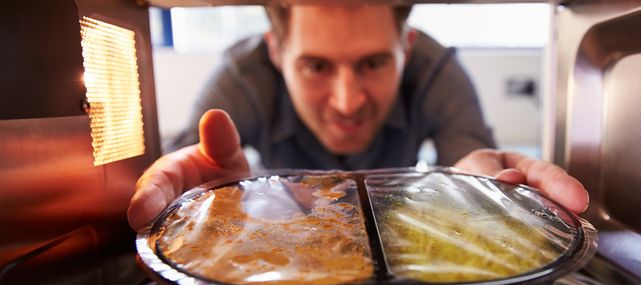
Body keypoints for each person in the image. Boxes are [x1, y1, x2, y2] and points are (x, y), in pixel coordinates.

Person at [127, 4, 588, 230]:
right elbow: (186, 173)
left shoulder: (436, 71)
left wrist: (480, 190)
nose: (347, 102)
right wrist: (200, 203)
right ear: (276, 50)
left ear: (405, 49)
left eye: (372, 63)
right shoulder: (241, 80)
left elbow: (472, 161)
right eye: (316, 66)